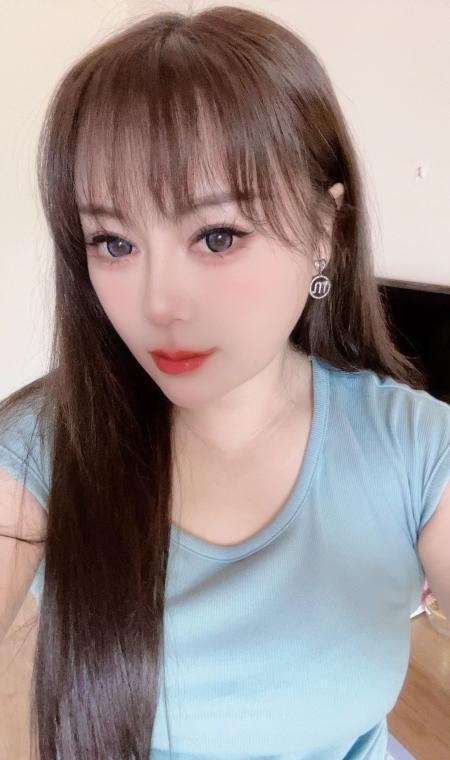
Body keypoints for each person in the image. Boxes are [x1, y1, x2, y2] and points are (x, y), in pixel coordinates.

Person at [0, 5, 449, 760]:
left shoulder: (416, 447)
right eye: (114, 242)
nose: (157, 305)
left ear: (324, 230)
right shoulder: (41, 449)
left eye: (217, 236)